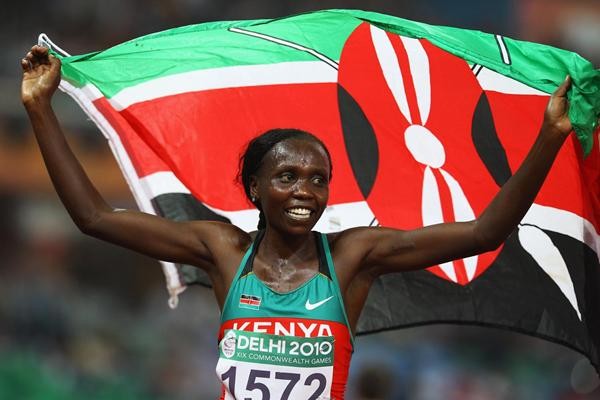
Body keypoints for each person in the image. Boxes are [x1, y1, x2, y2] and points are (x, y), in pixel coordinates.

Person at [21, 44, 575, 399]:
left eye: (318, 179)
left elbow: (484, 233)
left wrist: (550, 137)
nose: (305, 191)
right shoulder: (224, 250)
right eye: (287, 176)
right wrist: (40, 110)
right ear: (255, 189)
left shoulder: (353, 256)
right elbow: (94, 216)